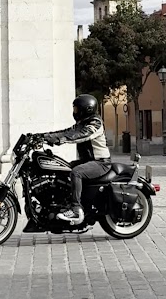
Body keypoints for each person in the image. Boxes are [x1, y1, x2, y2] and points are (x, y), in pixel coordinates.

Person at [32, 94, 111, 224]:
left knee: (76, 172)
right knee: (63, 169)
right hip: (87, 161)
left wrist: (60, 140)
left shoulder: (95, 123)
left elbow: (81, 135)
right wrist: (42, 136)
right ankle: (63, 204)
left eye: (77, 109)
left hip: (100, 163)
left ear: (87, 109)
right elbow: (66, 131)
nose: (75, 112)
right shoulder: (81, 123)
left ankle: (76, 209)